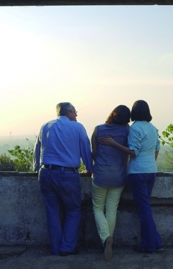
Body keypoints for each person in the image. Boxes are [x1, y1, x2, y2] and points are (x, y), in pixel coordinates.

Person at [99, 100, 163, 253]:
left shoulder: (134, 128)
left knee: (143, 209)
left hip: (138, 172)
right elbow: (157, 148)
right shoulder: (153, 128)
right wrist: (149, 164)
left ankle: (149, 245)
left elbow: (133, 152)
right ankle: (156, 243)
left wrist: (113, 143)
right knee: (145, 207)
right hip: (150, 171)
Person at [33, 102, 93, 256]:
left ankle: (55, 248)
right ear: (68, 113)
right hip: (67, 174)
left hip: (45, 173)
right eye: (75, 112)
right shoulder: (78, 127)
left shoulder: (45, 126)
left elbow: (37, 150)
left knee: (52, 212)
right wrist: (90, 169)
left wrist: (36, 168)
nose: (76, 115)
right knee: (73, 211)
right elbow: (86, 150)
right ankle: (66, 247)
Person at [90, 105, 131, 261]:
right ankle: (109, 241)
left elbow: (93, 153)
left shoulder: (98, 130)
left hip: (100, 175)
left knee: (98, 208)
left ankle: (106, 237)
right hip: (119, 176)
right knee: (112, 209)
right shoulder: (127, 131)